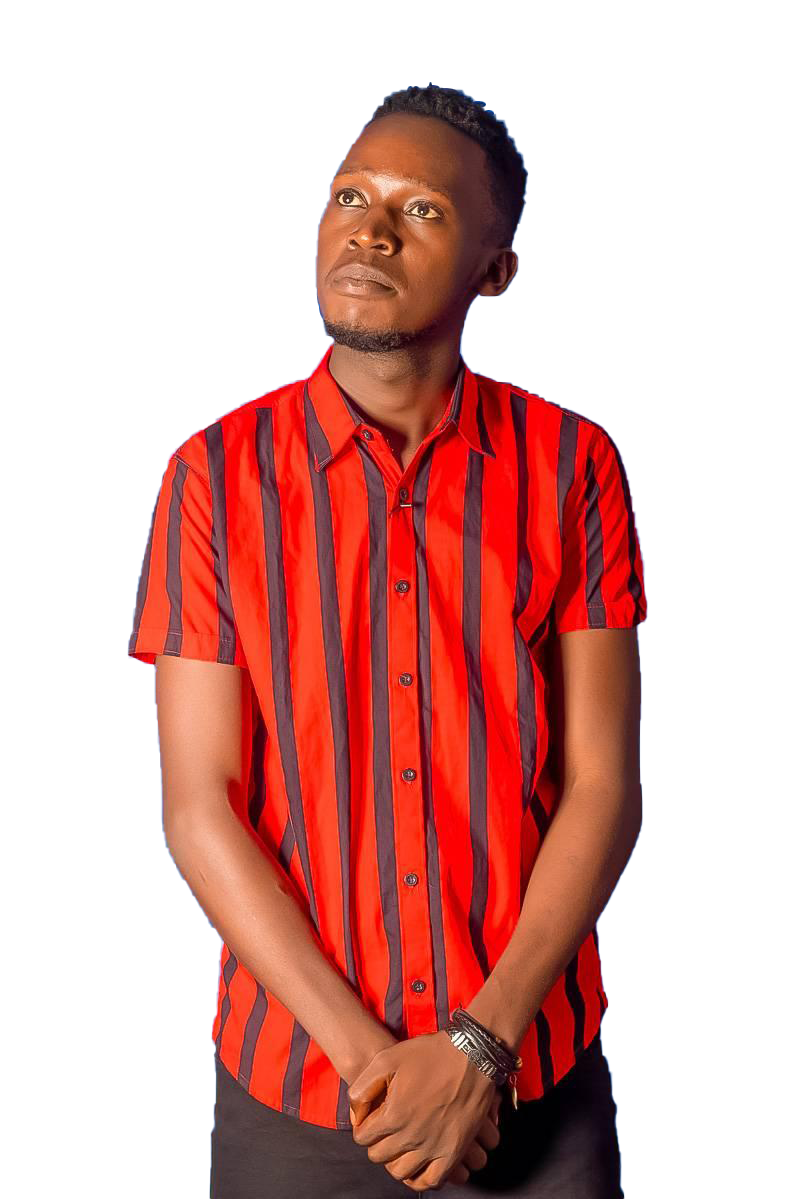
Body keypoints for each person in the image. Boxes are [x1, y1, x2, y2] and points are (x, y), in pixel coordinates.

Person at [127, 84, 646, 1197]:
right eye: (348, 196)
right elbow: (199, 802)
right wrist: (383, 1072)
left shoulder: (574, 465)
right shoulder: (210, 476)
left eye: (421, 210)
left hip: (534, 1087)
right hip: (297, 1095)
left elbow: (604, 783)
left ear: (494, 271)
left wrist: (478, 1046)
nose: (368, 230)